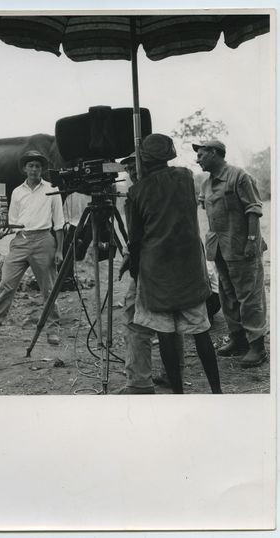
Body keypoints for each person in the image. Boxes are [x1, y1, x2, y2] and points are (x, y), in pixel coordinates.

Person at [127, 134, 222, 394]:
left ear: (143, 160)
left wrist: (135, 270)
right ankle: (217, 391)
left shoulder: (137, 191)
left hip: (157, 272)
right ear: (168, 155)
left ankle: (178, 393)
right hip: (189, 268)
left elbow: (135, 239)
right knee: (200, 331)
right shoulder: (185, 176)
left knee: (166, 333)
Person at [0, 150, 64, 347]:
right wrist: (1, 231)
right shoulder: (17, 192)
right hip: (20, 240)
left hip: (44, 240)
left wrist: (59, 250)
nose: (34, 169)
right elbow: (13, 221)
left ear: (42, 169)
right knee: (6, 284)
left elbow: (59, 223)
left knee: (49, 288)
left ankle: (52, 330)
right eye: (31, 165)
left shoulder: (51, 189)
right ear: (25, 169)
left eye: (38, 166)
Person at [193, 140, 267, 368]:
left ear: (215, 153)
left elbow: (254, 210)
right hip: (220, 248)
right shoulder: (206, 183)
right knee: (227, 294)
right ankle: (238, 339)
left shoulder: (239, 176)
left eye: (202, 154)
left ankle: (257, 346)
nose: (198, 159)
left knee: (249, 297)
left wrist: (252, 241)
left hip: (241, 247)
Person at [116, 151, 184, 395]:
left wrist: (131, 260)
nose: (133, 174)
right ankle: (171, 374)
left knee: (135, 319)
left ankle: (140, 383)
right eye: (129, 170)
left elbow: (140, 237)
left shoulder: (141, 194)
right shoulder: (171, 188)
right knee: (170, 321)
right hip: (170, 265)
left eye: (137, 168)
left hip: (152, 266)